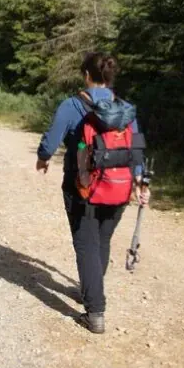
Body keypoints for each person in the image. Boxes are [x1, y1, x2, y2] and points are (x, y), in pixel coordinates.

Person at [35, 52, 149, 334]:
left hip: (82, 189)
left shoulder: (72, 105)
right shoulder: (125, 108)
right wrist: (140, 182)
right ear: (110, 78)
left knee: (86, 245)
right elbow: (135, 150)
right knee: (102, 240)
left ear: (86, 75)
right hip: (119, 189)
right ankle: (90, 289)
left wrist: (43, 158)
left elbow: (50, 145)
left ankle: (95, 311)